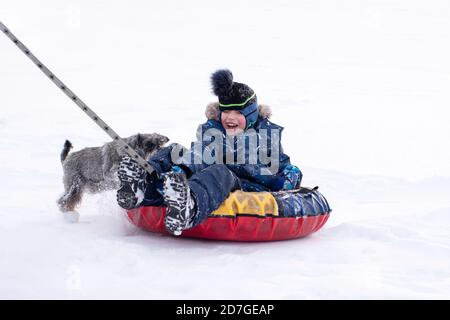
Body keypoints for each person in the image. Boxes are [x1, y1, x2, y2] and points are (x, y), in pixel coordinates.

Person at [116, 69, 302, 235]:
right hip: (206, 177)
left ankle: (190, 207)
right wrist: (183, 168)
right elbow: (199, 154)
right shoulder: (214, 132)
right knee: (175, 150)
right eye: (226, 111)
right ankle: (142, 186)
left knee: (220, 171)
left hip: (246, 185)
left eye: (238, 113)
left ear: (251, 115)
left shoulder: (265, 136)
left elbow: (282, 166)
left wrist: (289, 177)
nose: (230, 117)